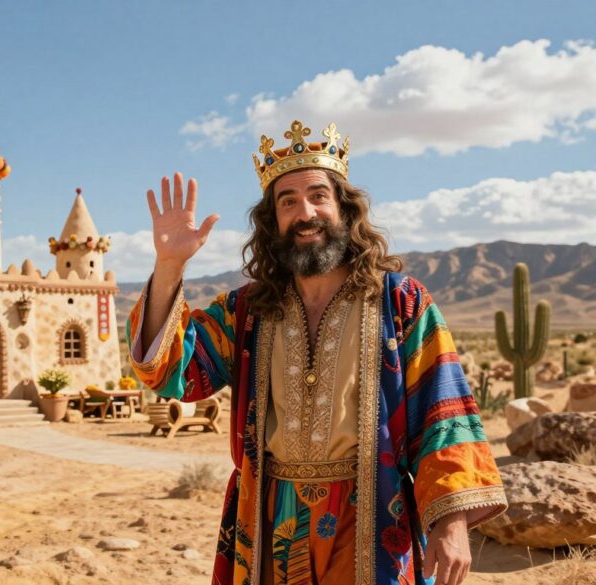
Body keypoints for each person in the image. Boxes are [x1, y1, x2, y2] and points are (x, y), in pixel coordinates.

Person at [126, 121, 507, 585]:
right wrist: (169, 266)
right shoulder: (247, 310)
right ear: (274, 221)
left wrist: (450, 525)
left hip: (372, 515)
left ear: (344, 209)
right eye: (288, 202)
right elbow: (168, 372)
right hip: (271, 521)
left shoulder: (401, 302)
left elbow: (441, 414)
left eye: (318, 196)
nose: (305, 212)